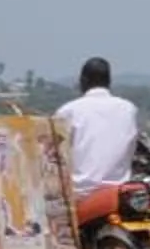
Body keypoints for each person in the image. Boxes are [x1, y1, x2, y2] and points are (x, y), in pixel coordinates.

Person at [56, 58, 142, 217]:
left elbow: (55, 155)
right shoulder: (129, 109)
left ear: (83, 81)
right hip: (121, 191)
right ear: (109, 81)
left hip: (82, 193)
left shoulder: (69, 111)